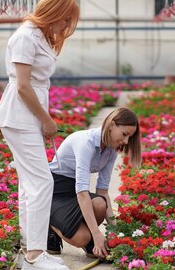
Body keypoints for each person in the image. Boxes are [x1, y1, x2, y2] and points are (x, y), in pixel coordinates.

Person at [0, 0, 79, 270]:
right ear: (54, 12)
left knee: (29, 183)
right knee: (42, 182)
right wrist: (45, 120)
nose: (66, 27)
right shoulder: (25, 37)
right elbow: (22, 86)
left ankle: (30, 251)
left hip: (27, 117)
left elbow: (34, 84)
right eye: (65, 20)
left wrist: (42, 120)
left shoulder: (38, 36)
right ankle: (34, 254)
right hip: (20, 116)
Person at [47, 107, 142, 260]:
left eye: (129, 137)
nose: (125, 141)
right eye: (124, 134)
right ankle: (48, 225)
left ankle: (84, 235)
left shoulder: (111, 149)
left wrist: (114, 233)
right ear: (111, 125)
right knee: (82, 238)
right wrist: (96, 234)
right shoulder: (85, 143)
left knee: (100, 204)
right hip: (54, 192)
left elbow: (103, 191)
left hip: (74, 192)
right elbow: (83, 193)